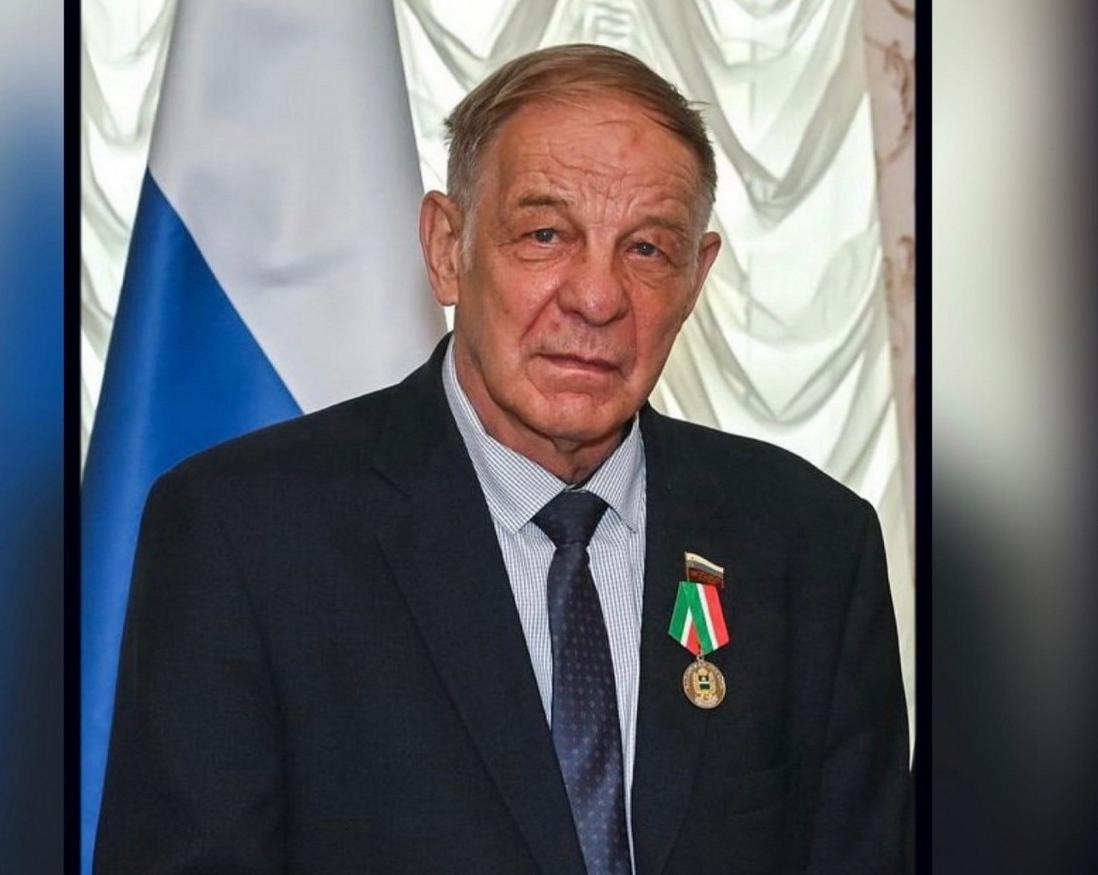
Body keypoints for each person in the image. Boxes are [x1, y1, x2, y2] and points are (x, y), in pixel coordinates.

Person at [95, 44, 909, 874]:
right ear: (448, 247)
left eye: (646, 249)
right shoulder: (245, 535)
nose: (597, 297)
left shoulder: (812, 547)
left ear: (695, 279)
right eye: (545, 235)